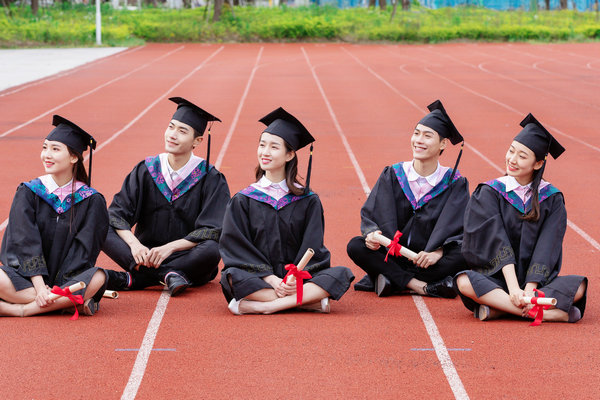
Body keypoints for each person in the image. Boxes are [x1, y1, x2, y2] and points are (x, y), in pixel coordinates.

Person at [219, 107, 354, 315]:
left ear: (290, 154)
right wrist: (272, 279)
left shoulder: (308, 201)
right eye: (262, 145)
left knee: (341, 274)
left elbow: (313, 246)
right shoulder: (243, 200)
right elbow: (236, 247)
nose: (265, 152)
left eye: (274, 147)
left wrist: (294, 278)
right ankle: (309, 301)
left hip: (295, 279)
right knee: (232, 276)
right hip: (260, 278)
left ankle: (267, 306)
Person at [455, 114, 587, 323]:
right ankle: (545, 313)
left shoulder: (552, 198)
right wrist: (514, 288)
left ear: (538, 164)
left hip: (536, 284)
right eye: (511, 151)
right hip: (498, 278)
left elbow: (548, 245)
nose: (512, 159)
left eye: (522, 156)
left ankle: (500, 309)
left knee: (578, 287)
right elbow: (496, 239)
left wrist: (530, 288)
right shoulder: (490, 191)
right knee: (464, 281)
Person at [103, 97, 230, 296]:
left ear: (197, 141)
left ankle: (138, 278)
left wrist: (169, 248)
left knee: (212, 249)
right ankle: (167, 275)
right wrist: (135, 245)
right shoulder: (146, 170)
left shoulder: (210, 178)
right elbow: (117, 215)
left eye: (182, 131)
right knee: (102, 227)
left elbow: (212, 229)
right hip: (144, 254)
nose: (173, 135)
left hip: (186, 256)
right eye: (171, 127)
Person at [347, 100, 469, 298]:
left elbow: (461, 228)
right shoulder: (394, 174)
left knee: (466, 253)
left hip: (427, 261)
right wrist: (372, 234)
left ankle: (392, 280)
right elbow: (372, 214)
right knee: (356, 245)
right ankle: (419, 286)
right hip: (393, 255)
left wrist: (437, 253)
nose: (419, 140)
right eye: (416, 133)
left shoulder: (454, 183)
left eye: (427, 136)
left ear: (443, 144)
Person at [0, 115, 108, 317]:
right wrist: (41, 288)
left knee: (99, 277)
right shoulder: (29, 191)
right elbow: (25, 241)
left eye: (55, 149)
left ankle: (21, 310)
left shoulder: (91, 200)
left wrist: (60, 285)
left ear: (74, 157)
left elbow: (83, 251)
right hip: (27, 279)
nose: (46, 155)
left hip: (67, 282)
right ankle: (64, 304)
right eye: (44, 147)